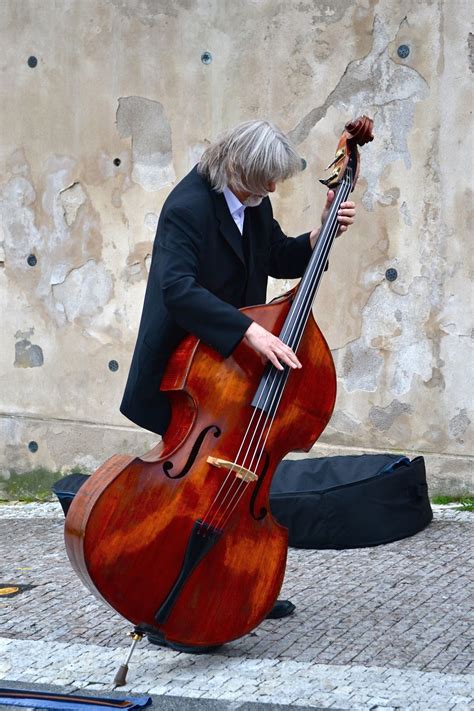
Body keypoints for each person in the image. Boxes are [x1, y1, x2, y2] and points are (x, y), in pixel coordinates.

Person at [119, 120, 356, 648]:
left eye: (274, 184)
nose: (269, 192)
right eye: (261, 183)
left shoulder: (253, 200)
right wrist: (249, 330)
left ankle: (234, 583)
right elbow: (177, 289)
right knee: (190, 492)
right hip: (185, 368)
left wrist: (319, 235)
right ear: (233, 167)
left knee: (232, 481)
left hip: (228, 366)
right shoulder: (187, 208)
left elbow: (273, 256)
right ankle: (171, 601)